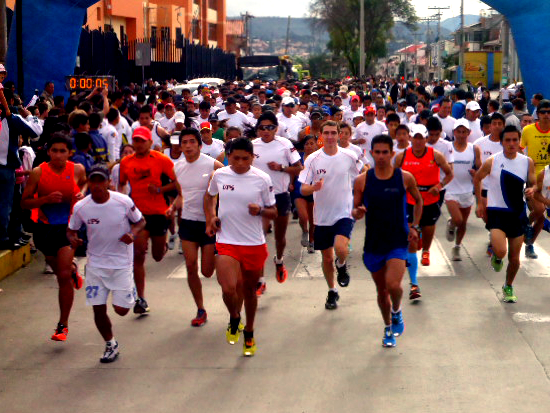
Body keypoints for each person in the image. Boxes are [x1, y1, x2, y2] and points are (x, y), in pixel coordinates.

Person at [204, 138, 277, 357]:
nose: (241, 163)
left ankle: (250, 331)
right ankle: (235, 317)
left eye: (246, 158)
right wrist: (211, 217)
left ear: (252, 157)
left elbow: (274, 211)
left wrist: (261, 211)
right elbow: (209, 198)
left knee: (248, 291)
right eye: (236, 158)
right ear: (229, 155)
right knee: (228, 288)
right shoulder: (220, 175)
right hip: (226, 240)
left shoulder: (262, 179)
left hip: (253, 243)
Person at [67, 165, 145, 363]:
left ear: (108, 182)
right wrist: (73, 240)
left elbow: (140, 221)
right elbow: (71, 230)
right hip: (96, 265)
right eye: (93, 181)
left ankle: (132, 292)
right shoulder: (81, 207)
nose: (96, 185)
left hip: (121, 263)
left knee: (121, 310)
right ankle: (110, 344)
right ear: (89, 182)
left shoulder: (122, 201)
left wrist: (132, 234)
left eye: (100, 181)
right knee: (98, 307)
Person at [352, 134, 422, 347]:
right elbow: (354, 210)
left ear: (392, 154)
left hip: (397, 240)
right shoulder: (362, 180)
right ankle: (387, 329)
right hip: (373, 243)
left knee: (394, 285)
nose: (381, 156)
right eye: (377, 152)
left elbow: (418, 201)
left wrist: (415, 226)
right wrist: (358, 212)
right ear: (371, 153)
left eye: (385, 152)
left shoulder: (404, 177)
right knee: (381, 290)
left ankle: (397, 311)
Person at [21, 133, 86, 341]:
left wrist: (81, 193)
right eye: (54, 151)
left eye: (62, 151)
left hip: (68, 229)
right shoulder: (39, 173)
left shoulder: (76, 169)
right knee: (59, 269)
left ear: (69, 153)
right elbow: (24, 203)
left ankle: (62, 326)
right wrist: (46, 199)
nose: (58, 155)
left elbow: (84, 184)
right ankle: (74, 269)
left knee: (63, 277)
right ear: (48, 151)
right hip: (44, 230)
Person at [299, 121, 363, 310]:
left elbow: (361, 176)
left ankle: (341, 264)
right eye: (326, 133)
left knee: (341, 248)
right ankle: (332, 291)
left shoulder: (349, 156)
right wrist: (314, 187)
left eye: (333, 133)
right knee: (326, 259)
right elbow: (303, 189)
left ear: (339, 135)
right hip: (322, 216)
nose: (329, 136)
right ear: (321, 136)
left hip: (344, 211)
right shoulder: (313, 159)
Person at [168, 129, 224, 326]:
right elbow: (182, 194)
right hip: (188, 222)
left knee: (207, 271)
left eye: (193, 141)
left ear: (200, 145)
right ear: (180, 146)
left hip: (208, 223)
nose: (189, 145)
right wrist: (172, 206)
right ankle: (200, 309)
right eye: (185, 142)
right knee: (191, 266)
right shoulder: (177, 168)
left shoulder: (212, 164)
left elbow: (226, 187)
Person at [474, 126, 536, 303]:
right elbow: (478, 178)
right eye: (507, 140)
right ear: (501, 142)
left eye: (515, 140)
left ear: (519, 142)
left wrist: (532, 190)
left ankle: (508, 285)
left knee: (515, 259)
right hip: (497, 213)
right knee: (501, 251)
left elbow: (532, 183)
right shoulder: (492, 161)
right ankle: (496, 256)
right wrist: (480, 202)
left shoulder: (527, 162)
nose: (511, 143)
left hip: (517, 214)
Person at [118, 126, 176, 314]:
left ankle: (164, 244)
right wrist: (122, 203)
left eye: (142, 140)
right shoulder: (126, 162)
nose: (139, 144)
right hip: (138, 215)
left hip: (159, 213)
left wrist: (160, 190)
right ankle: (140, 298)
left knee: (157, 256)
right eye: (136, 140)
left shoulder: (161, 160)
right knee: (139, 254)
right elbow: (121, 184)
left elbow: (178, 181)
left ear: (150, 142)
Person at [394, 124, 453, 299]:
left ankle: (426, 250)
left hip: (430, 198)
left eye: (422, 138)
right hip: (409, 201)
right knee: (411, 240)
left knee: (428, 228)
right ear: (410, 139)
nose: (418, 141)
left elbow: (450, 174)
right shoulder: (402, 156)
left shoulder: (435, 155)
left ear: (426, 139)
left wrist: (439, 186)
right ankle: (414, 284)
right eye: (415, 138)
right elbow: (393, 177)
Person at [252, 111, 303, 294]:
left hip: (280, 196)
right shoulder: (252, 146)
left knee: (279, 238)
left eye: (270, 127)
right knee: (260, 239)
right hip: (259, 198)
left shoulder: (285, 144)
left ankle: (279, 261)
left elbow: (299, 169)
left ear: (276, 128)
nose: (266, 131)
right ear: (258, 129)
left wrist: (281, 168)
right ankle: (261, 280)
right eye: (263, 128)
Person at [444, 119, 482, 261]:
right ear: (454, 133)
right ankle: (452, 223)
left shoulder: (474, 149)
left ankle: (457, 247)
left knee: (463, 223)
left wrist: (475, 174)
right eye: (458, 132)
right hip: (450, 189)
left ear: (468, 133)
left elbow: (480, 171)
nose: (461, 135)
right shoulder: (448, 148)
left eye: (464, 132)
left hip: (467, 190)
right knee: (458, 219)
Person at [520, 99, 550, 258]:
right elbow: (519, 150)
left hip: (548, 179)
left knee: (541, 217)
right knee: (539, 210)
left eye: (549, 112)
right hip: (532, 177)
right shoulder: (528, 130)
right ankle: (524, 224)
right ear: (537, 114)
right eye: (543, 112)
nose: (546, 115)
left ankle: (529, 244)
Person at [473, 113, 505, 256]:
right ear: (489, 126)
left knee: (497, 216)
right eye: (494, 123)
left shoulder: (508, 142)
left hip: (502, 188)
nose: (497, 126)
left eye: (500, 123)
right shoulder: (479, 143)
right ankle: (493, 233)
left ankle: (494, 240)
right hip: (484, 186)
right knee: (486, 216)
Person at [293, 135, 318, 253]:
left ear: (316, 145)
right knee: (303, 216)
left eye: (311, 143)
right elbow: (293, 171)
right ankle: (304, 231)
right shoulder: (298, 158)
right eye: (307, 144)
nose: (309, 146)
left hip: (314, 191)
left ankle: (312, 242)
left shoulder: (320, 158)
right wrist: (290, 183)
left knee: (313, 220)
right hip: (299, 189)